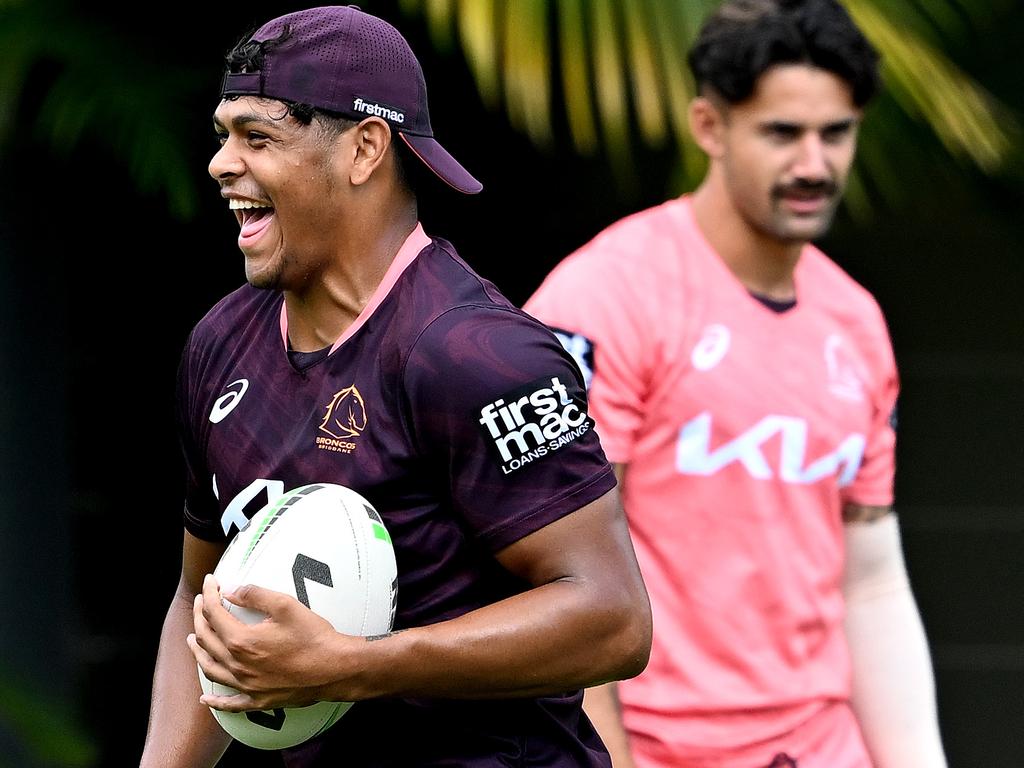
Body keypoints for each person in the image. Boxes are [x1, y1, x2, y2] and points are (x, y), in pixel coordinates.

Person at [138, 6, 652, 767]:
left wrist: (352, 665)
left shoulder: (477, 354)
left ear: (364, 148)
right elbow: (201, 599)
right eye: (223, 136)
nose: (220, 163)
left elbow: (612, 619)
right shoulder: (222, 343)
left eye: (258, 136)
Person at [524, 1, 947, 767]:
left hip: (825, 748)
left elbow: (873, 583)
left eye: (837, 133)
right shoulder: (604, 299)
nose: (815, 164)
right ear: (709, 128)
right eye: (783, 133)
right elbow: (550, 575)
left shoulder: (856, 323)